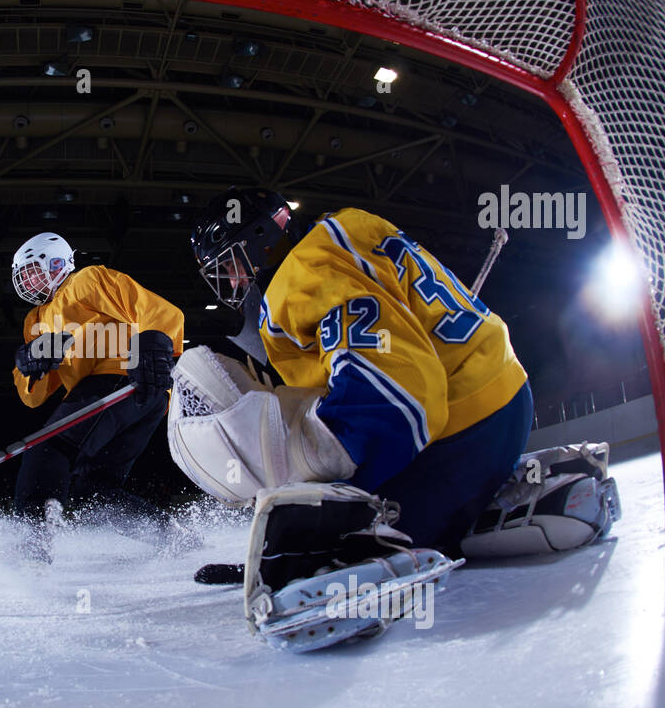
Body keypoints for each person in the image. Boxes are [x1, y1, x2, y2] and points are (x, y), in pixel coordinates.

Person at [174, 189, 617, 649]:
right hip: (496, 402)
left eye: (229, 265)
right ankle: (498, 504)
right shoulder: (345, 226)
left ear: (259, 241)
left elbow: (402, 394)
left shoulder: (303, 273)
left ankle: (358, 553)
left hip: (458, 434)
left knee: (331, 537)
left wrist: (328, 489)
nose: (231, 281)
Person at [9, 231, 185, 555]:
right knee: (91, 489)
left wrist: (151, 344)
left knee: (48, 447)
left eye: (34, 270)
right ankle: (172, 538)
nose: (30, 281)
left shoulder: (86, 281)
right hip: (132, 401)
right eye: (24, 276)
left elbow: (156, 310)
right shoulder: (36, 318)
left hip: (121, 379)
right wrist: (30, 365)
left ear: (57, 263)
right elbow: (33, 396)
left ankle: (31, 542)